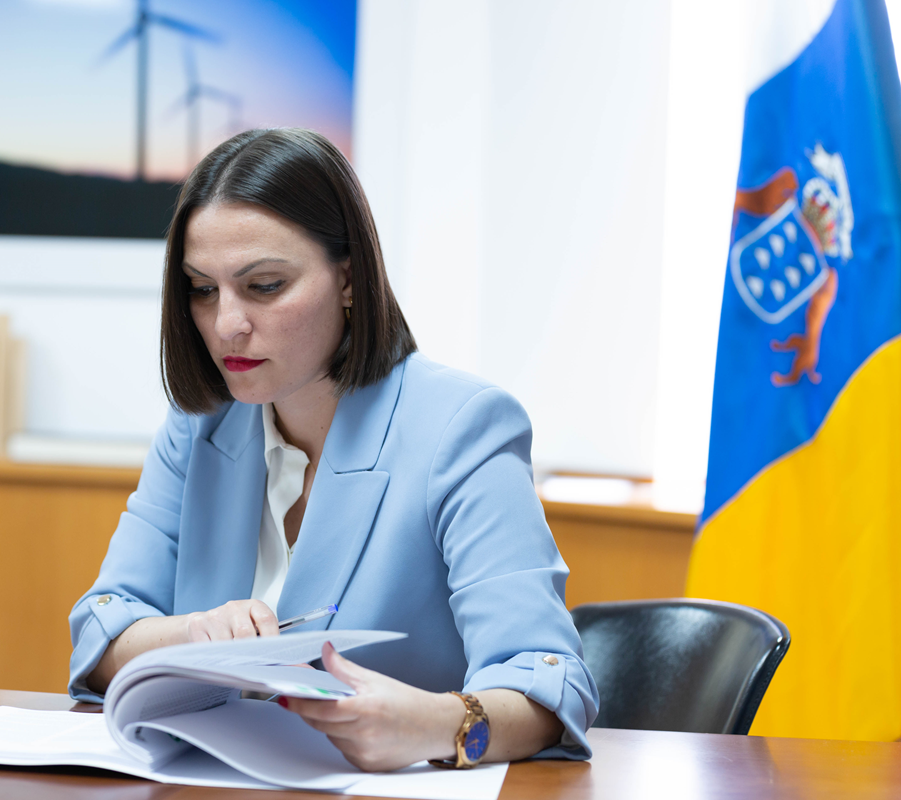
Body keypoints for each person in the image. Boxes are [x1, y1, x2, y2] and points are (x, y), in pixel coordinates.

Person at [68, 128, 599, 771]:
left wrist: (435, 725)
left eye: (263, 285)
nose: (226, 323)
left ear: (348, 279)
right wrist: (192, 638)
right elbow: (101, 629)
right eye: (202, 289)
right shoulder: (200, 424)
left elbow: (550, 683)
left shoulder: (461, 426)